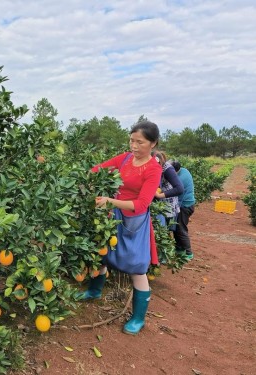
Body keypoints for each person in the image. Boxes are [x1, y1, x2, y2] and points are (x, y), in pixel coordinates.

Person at [78, 120, 162, 335]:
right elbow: (97, 169)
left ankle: (138, 318)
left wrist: (110, 201)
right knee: (103, 254)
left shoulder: (153, 169)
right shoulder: (125, 158)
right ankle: (94, 291)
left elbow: (142, 204)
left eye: (140, 142)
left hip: (134, 221)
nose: (134, 146)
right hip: (113, 215)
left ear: (152, 144)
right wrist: (83, 179)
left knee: (136, 267)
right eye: (132, 140)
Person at [171, 160, 195, 260]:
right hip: (186, 204)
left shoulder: (180, 179)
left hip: (185, 206)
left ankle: (188, 252)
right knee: (177, 228)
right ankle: (179, 249)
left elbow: (173, 190)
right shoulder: (184, 170)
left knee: (181, 229)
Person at [153, 151, 184, 228]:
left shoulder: (168, 169)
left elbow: (179, 189)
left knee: (164, 231)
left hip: (167, 206)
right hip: (158, 206)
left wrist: (159, 195)